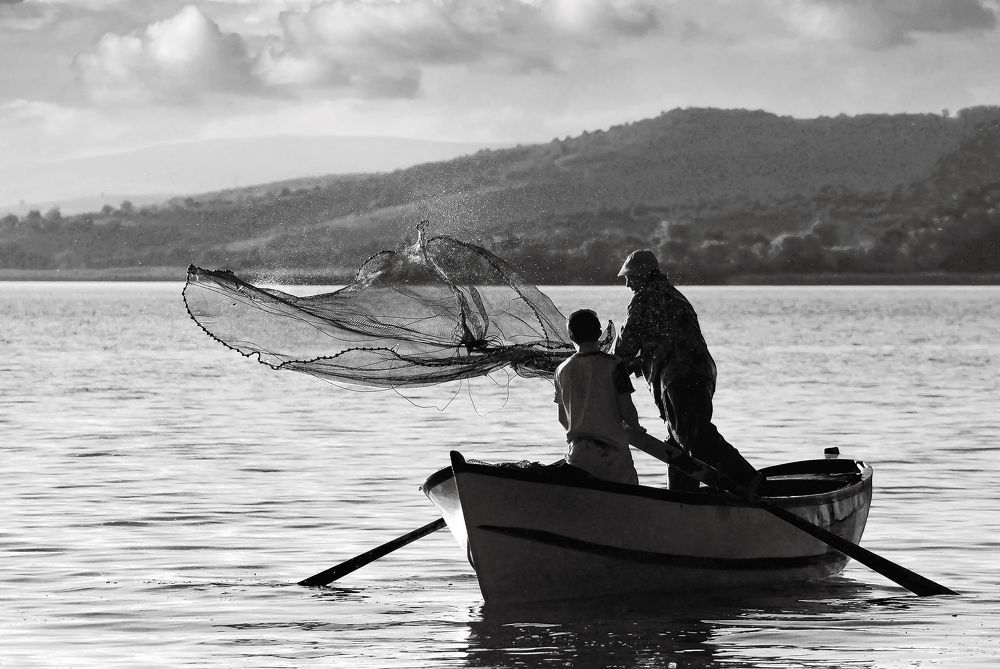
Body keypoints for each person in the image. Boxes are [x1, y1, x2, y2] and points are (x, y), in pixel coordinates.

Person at [611, 249, 760, 492]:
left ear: (642, 274)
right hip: (701, 373)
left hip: (678, 377)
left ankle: (749, 480)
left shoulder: (643, 299)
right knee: (678, 440)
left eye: (629, 277)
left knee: (693, 437)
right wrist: (639, 363)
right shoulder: (674, 295)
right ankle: (682, 497)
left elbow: (625, 349)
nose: (627, 284)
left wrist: (607, 366)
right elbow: (667, 342)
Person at [553, 309, 642, 484]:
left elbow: (563, 418)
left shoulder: (561, 370)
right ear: (599, 333)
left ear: (570, 336)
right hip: (613, 456)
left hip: (579, 457)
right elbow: (627, 409)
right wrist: (636, 428)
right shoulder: (615, 364)